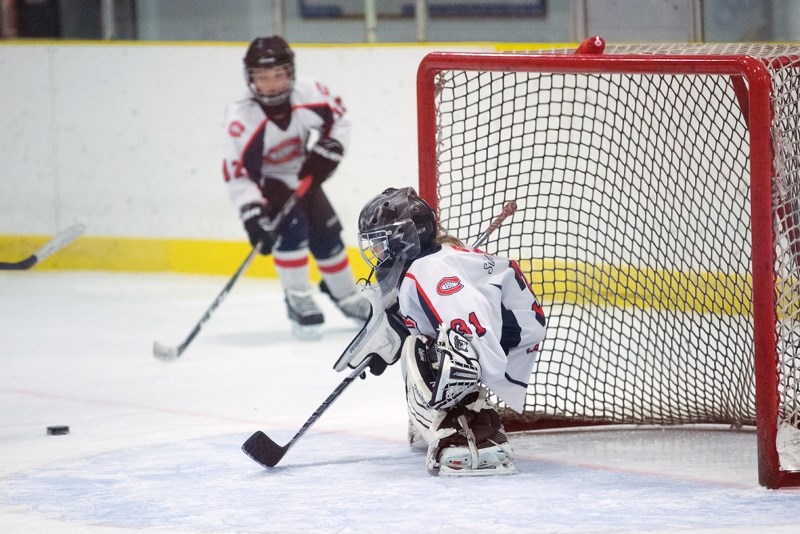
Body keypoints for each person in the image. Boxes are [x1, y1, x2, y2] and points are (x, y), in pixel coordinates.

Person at [336, 186, 547, 476]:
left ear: (403, 239)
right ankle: (439, 414)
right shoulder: (424, 265)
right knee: (422, 343)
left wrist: (462, 372)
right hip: (496, 326)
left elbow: (472, 326)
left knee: (426, 350)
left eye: (380, 244)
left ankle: (475, 433)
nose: (376, 253)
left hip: (509, 332)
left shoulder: (429, 271)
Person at [222, 36, 370, 339]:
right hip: (267, 182)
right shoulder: (242, 119)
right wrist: (252, 213)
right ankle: (298, 298)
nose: (272, 85)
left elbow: (339, 119)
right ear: (250, 79)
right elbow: (237, 173)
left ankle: (346, 296)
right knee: (292, 227)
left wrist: (330, 149)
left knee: (327, 230)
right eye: (262, 78)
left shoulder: (310, 93)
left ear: (291, 73)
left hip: (303, 173)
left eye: (278, 75)